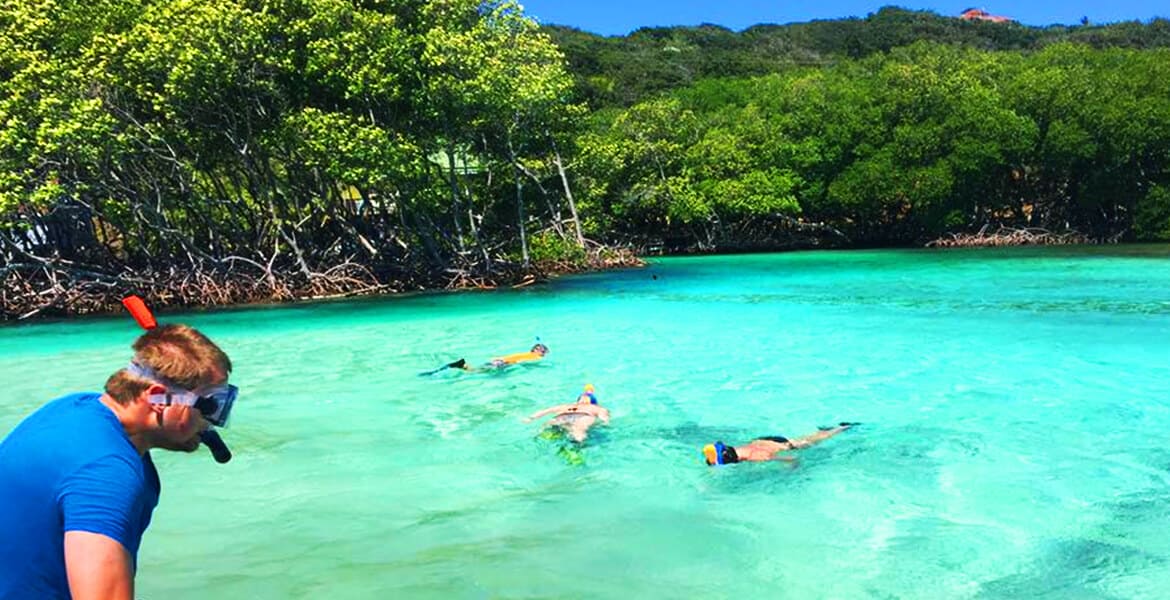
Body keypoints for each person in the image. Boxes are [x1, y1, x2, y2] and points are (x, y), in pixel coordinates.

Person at [0, 324, 237, 600]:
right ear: (158, 399)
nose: (212, 421)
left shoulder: (72, 407)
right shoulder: (107, 474)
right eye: (210, 406)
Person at [703, 422, 858, 466]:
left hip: (784, 445)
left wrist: (792, 467)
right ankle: (828, 429)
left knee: (815, 440)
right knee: (812, 437)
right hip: (765, 439)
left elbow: (789, 458)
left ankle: (843, 427)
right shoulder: (738, 449)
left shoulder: (756, 457)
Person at [524, 384, 610, 443]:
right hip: (583, 416)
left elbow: (546, 411)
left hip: (561, 416)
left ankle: (545, 435)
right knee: (578, 430)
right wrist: (605, 423)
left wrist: (531, 418)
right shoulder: (596, 407)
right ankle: (577, 445)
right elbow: (604, 417)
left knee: (548, 425)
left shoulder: (566, 406)